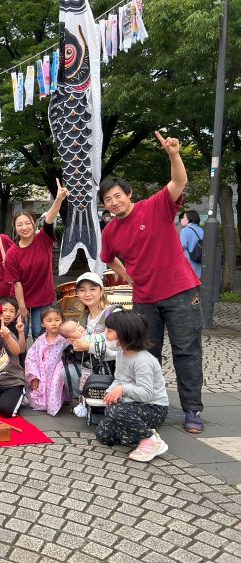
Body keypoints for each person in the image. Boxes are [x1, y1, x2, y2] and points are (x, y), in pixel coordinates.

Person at [99, 131, 204, 433]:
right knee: (146, 352)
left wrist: (173, 154)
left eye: (118, 196)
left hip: (181, 290)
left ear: (128, 194)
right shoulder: (110, 231)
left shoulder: (154, 206)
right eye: (108, 200)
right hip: (144, 297)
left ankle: (192, 410)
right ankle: (151, 404)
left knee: (187, 350)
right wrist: (128, 275)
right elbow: (108, 259)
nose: (114, 202)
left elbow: (179, 182)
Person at [95, 310, 170, 463]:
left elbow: (146, 394)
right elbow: (119, 379)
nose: (105, 334)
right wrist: (111, 392)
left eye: (109, 331)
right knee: (103, 434)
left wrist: (123, 389)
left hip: (154, 407)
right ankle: (135, 432)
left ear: (124, 334)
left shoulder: (143, 361)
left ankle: (151, 439)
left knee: (115, 411)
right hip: (132, 405)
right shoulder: (121, 354)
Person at [5, 183, 68, 339]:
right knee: (21, 332)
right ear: (14, 227)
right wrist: (21, 306)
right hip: (21, 298)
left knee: (40, 333)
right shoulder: (12, 252)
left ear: (34, 224)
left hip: (43, 297)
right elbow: (16, 282)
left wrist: (59, 199)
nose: (24, 227)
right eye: (19, 224)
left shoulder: (43, 239)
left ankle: (42, 363)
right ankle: (21, 363)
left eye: (28, 223)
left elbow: (49, 219)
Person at [25, 306, 70, 416]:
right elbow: (31, 358)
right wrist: (34, 376)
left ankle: (61, 400)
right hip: (42, 372)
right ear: (42, 323)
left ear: (62, 321)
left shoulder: (66, 340)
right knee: (40, 395)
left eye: (57, 320)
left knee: (56, 386)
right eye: (49, 321)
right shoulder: (40, 341)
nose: (54, 323)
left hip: (57, 372)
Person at [0, 296, 27, 365]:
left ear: (16, 313)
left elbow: (22, 350)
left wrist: (20, 332)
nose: (8, 314)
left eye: (12, 311)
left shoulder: (16, 326)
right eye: (4, 310)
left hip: (13, 363)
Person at [179, 210, 203, 279]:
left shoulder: (185, 230)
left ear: (189, 219)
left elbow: (182, 245)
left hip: (188, 263)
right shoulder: (201, 230)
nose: (181, 220)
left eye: (183, 218)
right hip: (199, 262)